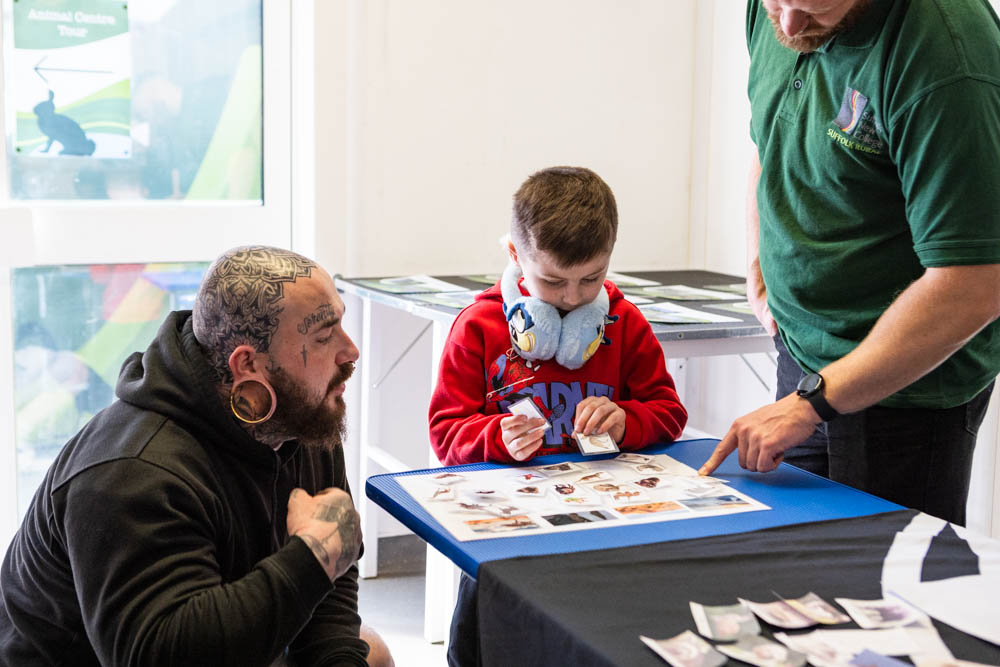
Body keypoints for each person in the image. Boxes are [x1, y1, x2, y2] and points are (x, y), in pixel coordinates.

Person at [0, 246, 394, 666]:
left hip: (224, 630)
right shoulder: (132, 472)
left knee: (369, 653)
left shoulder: (303, 419)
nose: (350, 350)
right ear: (248, 364)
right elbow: (162, 654)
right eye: (322, 336)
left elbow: (331, 585)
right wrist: (313, 556)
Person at [699, 0, 1000, 526]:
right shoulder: (780, 13)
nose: (789, 26)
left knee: (875, 597)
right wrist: (757, 268)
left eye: (815, 8)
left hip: (905, 400)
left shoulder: (948, 61)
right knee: (793, 575)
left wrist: (812, 404)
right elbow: (770, 137)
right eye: (778, 3)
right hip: (802, 358)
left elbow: (976, 282)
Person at [428, 165, 688, 666]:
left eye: (592, 278)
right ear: (514, 255)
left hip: (602, 534)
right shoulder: (478, 327)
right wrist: (494, 435)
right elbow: (445, 432)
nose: (573, 298)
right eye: (552, 281)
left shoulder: (624, 323)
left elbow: (668, 411)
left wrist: (626, 421)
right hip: (505, 539)